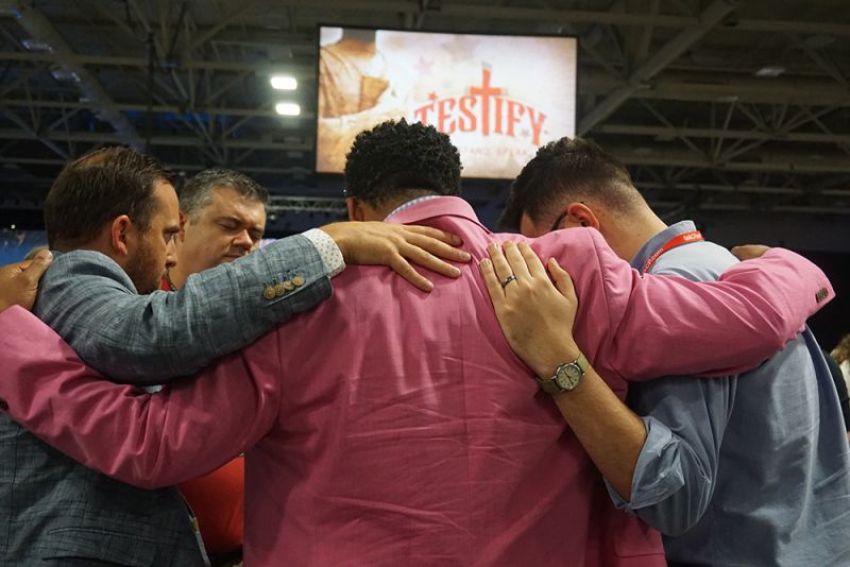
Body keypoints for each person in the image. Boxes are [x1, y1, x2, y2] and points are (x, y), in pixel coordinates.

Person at [0, 121, 834, 566]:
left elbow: (147, 443)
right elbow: (749, 323)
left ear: (359, 209)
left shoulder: (298, 302)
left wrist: (11, 334)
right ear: (458, 191)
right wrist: (795, 265)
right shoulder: (567, 270)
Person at [0, 145, 471, 566]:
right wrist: (329, 243)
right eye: (169, 233)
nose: (168, 253)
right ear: (123, 235)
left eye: (256, 231)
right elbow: (151, 343)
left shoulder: (230, 314)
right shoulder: (71, 275)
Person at [497, 136, 850, 565]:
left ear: (579, 227)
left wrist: (559, 364)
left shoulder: (669, 289)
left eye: (547, 252)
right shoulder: (734, 269)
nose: (547, 275)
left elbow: (672, 496)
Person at [163, 168, 269, 562]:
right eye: (230, 225)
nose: (244, 241)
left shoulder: (267, 326)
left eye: (255, 235)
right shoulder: (134, 313)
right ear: (182, 225)